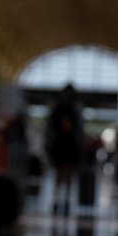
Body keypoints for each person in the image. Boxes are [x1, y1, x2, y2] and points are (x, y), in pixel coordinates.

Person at [44, 83, 84, 215]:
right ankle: (64, 201)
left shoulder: (58, 107)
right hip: (69, 145)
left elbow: (49, 127)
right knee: (67, 174)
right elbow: (80, 130)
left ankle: (57, 201)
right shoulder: (75, 107)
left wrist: (48, 144)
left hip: (60, 144)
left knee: (59, 174)